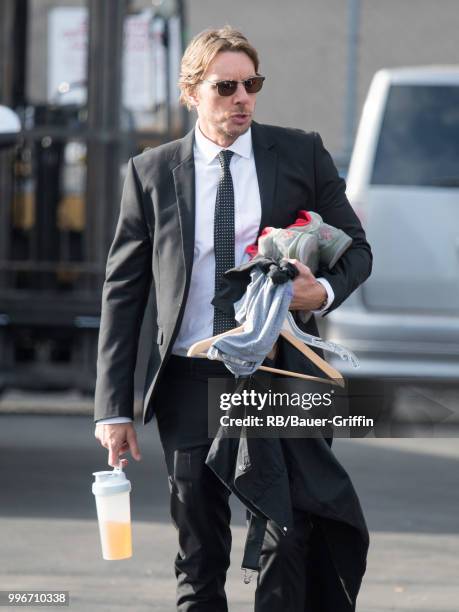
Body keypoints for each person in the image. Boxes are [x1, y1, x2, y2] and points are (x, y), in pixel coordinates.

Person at [94, 26, 372, 612]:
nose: (242, 97)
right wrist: (113, 408)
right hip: (192, 375)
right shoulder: (151, 172)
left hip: (282, 374)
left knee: (289, 532)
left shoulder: (300, 152)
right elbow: (125, 291)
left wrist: (317, 291)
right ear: (192, 91)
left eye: (253, 84)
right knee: (199, 547)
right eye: (226, 86)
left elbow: (357, 250)